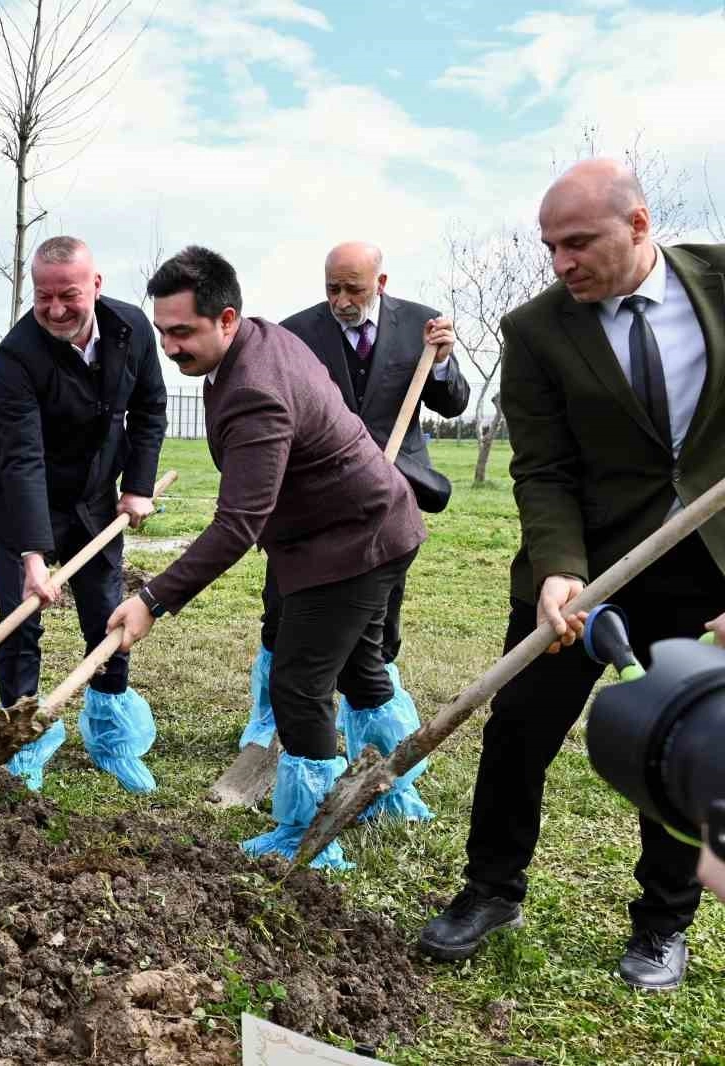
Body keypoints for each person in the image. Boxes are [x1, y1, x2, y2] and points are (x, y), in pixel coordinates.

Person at [418, 159, 725, 992]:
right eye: (549, 246)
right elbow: (544, 467)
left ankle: (663, 924)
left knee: (685, 743)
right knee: (519, 726)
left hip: (707, 563)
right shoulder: (536, 330)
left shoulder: (720, 282)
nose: (561, 263)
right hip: (587, 562)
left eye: (578, 243)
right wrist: (557, 570)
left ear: (639, 224)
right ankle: (491, 890)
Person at [107, 246, 430, 868]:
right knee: (360, 669)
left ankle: (310, 835)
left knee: (298, 686)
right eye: (162, 331)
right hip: (373, 524)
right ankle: (390, 790)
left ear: (227, 319)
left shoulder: (253, 389)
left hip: (350, 543)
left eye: (183, 332)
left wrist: (152, 598)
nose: (170, 347)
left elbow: (237, 524)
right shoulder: (260, 339)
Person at [235, 242, 470, 821]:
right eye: (332, 288)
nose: (341, 300)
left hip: (391, 501)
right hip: (315, 503)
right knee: (284, 614)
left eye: (354, 289)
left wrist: (442, 363)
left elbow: (453, 403)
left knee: (375, 628)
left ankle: (375, 750)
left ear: (380, 282)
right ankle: (274, 727)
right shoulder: (294, 333)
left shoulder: (423, 326)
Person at [0, 235, 167, 793]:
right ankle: (23, 741)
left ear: (96, 286)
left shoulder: (131, 329)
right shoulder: (16, 357)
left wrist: (137, 486)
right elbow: (23, 458)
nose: (56, 309)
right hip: (18, 499)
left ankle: (111, 737)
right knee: (19, 620)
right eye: (44, 296)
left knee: (107, 616)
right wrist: (33, 555)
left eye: (69, 295)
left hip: (94, 497)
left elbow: (150, 408)